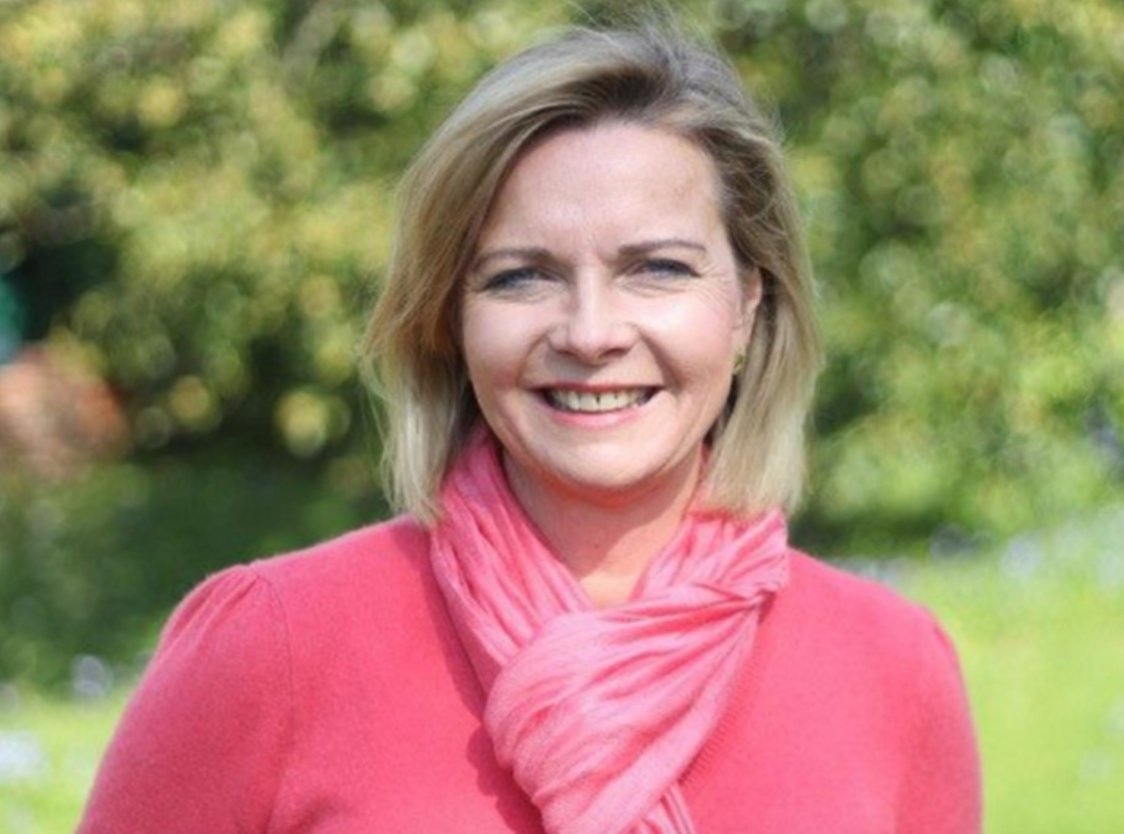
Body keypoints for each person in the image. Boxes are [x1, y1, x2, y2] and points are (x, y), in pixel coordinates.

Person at [78, 21, 980, 834]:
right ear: (450, 317)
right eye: (522, 277)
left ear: (747, 304)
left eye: (657, 269)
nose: (590, 333)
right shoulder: (270, 648)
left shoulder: (894, 668)